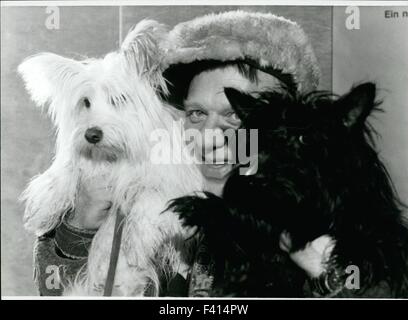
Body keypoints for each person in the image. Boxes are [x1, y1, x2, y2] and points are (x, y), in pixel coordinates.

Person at [32, 10, 345, 297]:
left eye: (236, 114)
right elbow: (54, 288)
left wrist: (326, 276)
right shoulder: (139, 202)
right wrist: (81, 226)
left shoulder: (340, 229)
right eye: (196, 113)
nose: (209, 136)